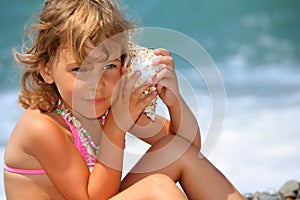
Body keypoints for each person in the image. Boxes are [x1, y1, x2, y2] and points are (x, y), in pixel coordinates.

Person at [3, 0, 243, 199]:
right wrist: (115, 127)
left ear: (124, 66)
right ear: (46, 70)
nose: (97, 84)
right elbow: (91, 198)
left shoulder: (109, 107)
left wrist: (174, 101)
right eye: (79, 69)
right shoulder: (42, 127)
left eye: (108, 65)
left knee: (176, 150)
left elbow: (186, 146)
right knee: (157, 188)